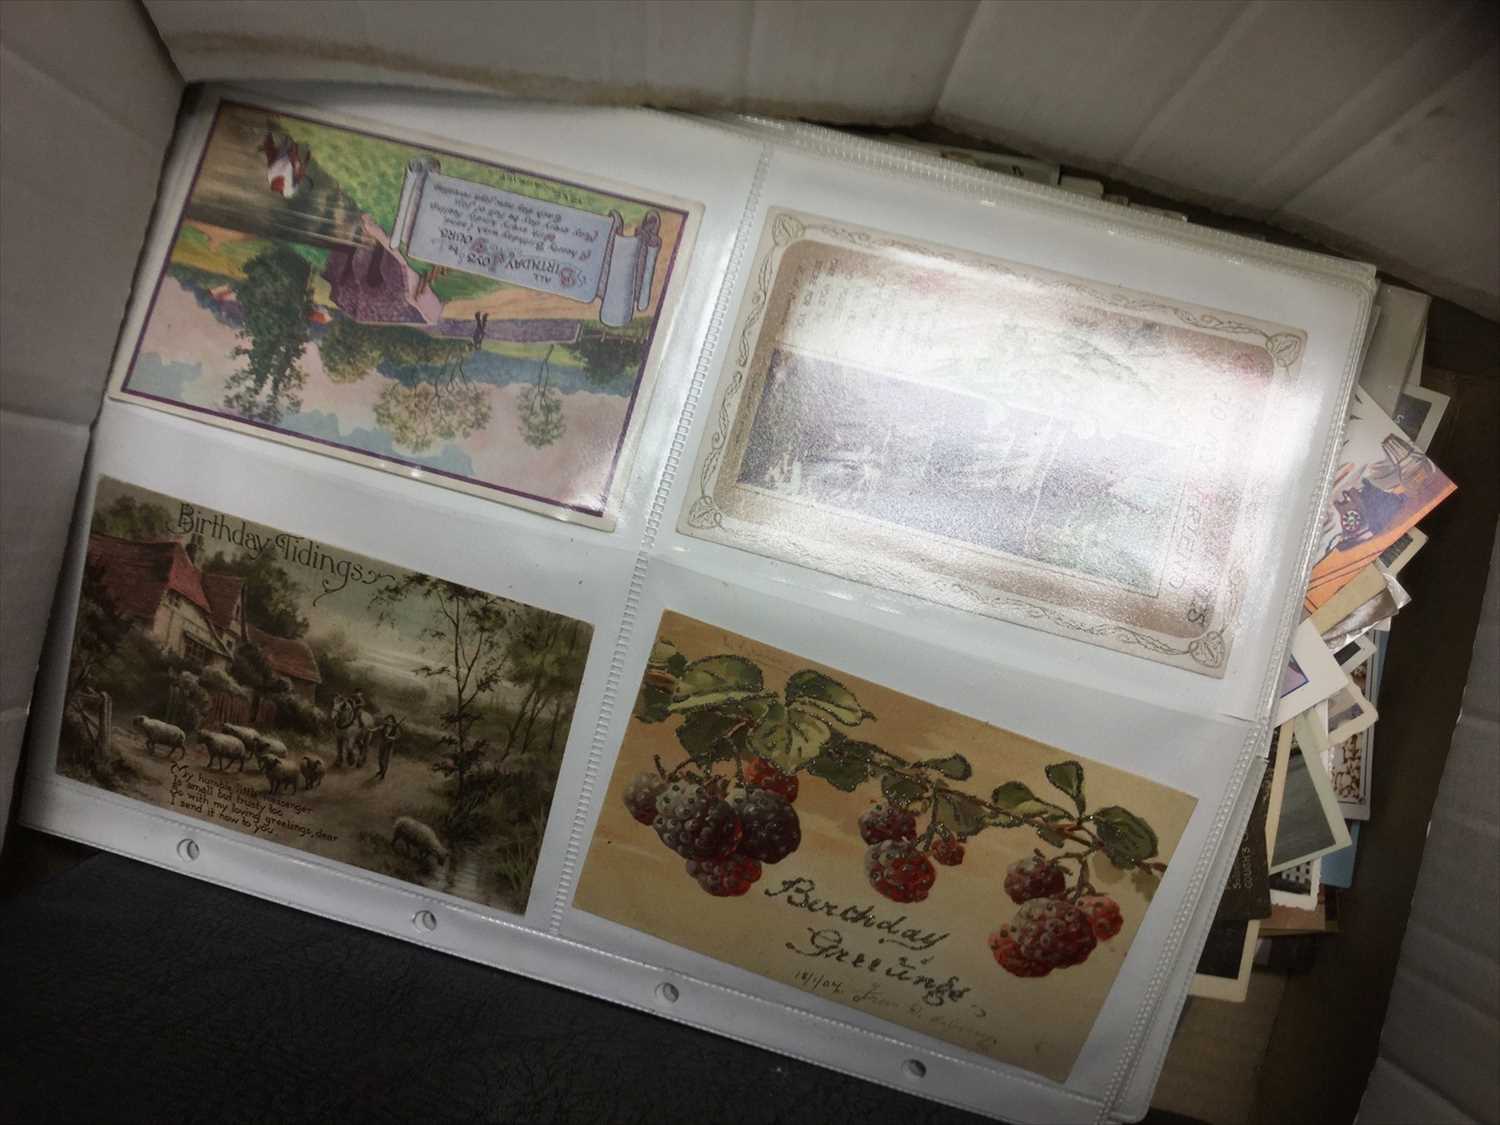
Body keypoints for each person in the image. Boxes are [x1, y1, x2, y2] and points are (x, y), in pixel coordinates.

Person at [375, 715, 402, 781]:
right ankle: (381, 770)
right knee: (380, 759)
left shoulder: (396, 728)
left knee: (386, 761)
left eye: (391, 720)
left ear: (393, 721)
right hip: (382, 744)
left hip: (389, 746)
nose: (389, 722)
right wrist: (372, 729)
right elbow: (378, 728)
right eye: (388, 720)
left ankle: (383, 774)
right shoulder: (384, 726)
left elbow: (398, 736)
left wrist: (390, 738)